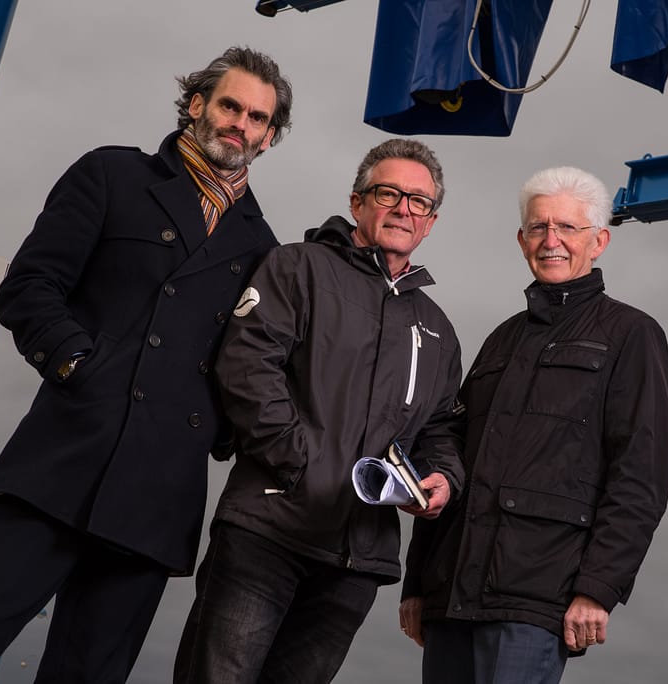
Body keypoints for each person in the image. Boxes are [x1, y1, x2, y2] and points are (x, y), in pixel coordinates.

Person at [0, 46, 292, 683]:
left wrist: (215, 431)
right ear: (197, 104)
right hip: (62, 460)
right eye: (229, 105)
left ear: (269, 138)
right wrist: (79, 367)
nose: (239, 125)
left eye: (256, 118)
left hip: (158, 494)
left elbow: (249, 365)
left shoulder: (266, 251)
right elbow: (30, 286)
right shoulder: (113, 176)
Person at [173, 138, 466, 684]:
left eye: (419, 202)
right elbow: (246, 367)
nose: (404, 208)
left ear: (430, 221)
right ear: (358, 202)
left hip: (357, 561)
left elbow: (441, 427)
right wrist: (300, 465)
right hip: (270, 530)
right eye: (389, 193)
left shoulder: (439, 330)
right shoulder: (297, 268)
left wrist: (442, 477)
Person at [399, 167, 668, 683]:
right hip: (452, 594)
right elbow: (450, 457)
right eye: (538, 228)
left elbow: (640, 476)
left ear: (599, 241)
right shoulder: (501, 339)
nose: (551, 241)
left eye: (568, 228)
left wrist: (599, 587)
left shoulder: (632, 335)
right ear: (522, 239)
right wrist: (418, 582)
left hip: (539, 597)